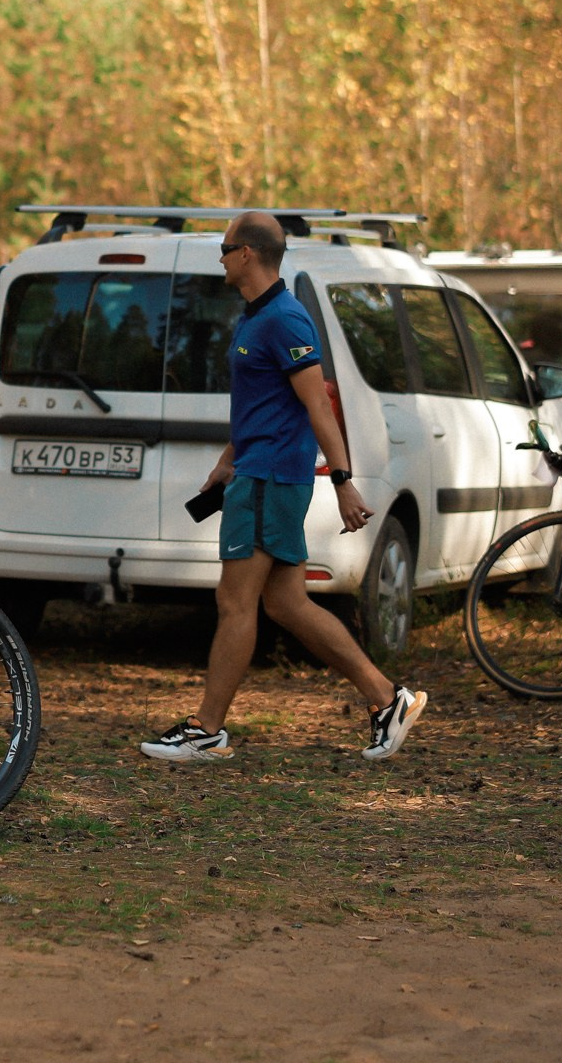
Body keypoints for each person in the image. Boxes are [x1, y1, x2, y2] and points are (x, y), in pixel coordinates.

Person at [139, 211, 427, 763]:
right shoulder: (255, 318)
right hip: (255, 471)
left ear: (247, 253)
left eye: (224, 248)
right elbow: (261, 408)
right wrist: (229, 460)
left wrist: (343, 481)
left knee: (235, 601)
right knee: (287, 604)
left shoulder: (286, 319)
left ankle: (207, 731)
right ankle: (387, 699)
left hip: (272, 480)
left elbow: (316, 404)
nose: (219, 257)